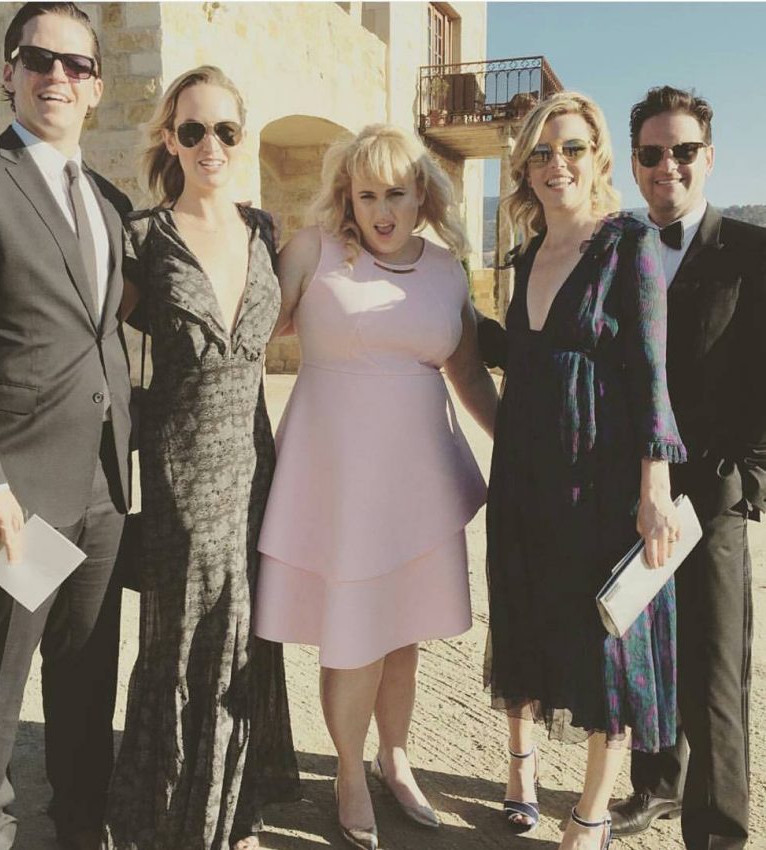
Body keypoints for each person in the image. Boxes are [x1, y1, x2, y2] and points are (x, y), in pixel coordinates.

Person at [0, 4, 132, 850]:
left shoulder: (109, 201)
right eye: (38, 59)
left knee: (87, 680)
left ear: (97, 89)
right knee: (2, 682)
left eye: (77, 66)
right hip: (19, 495)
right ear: (9, 71)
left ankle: (79, 826)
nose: (57, 77)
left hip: (102, 492)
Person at [254, 124, 499, 850]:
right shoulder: (313, 251)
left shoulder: (448, 269)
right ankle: (349, 773)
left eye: (396, 193)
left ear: (422, 193)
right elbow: (246, 336)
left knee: (403, 632)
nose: (382, 211)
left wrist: (519, 448)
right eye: (367, 196)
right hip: (338, 478)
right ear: (347, 197)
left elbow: (467, 372)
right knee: (354, 634)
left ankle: (396, 758)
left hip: (420, 476)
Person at [480, 92, 686, 850]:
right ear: (524, 167)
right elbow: (520, 363)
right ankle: (520, 768)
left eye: (571, 148)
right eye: (541, 151)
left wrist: (654, 486)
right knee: (523, 610)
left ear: (597, 157)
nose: (556, 164)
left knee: (608, 643)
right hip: (524, 478)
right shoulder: (526, 255)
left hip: (601, 479)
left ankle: (592, 813)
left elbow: (651, 371)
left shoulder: (628, 242)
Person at [102, 66, 300, 850]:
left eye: (224, 130)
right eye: (193, 130)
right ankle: (169, 817)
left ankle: (232, 812)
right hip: (181, 468)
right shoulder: (144, 238)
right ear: (170, 138)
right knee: (182, 645)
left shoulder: (264, 231)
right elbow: (93, 335)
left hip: (255, 465)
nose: (209, 144)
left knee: (248, 640)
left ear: (240, 137)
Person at [609, 86, 766, 850]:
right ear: (635, 162)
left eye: (682, 150)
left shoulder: (753, 251)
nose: (666, 164)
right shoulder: (616, 251)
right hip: (633, 488)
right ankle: (655, 786)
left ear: (709, 157)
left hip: (713, 490)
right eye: (651, 152)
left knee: (714, 673)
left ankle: (718, 831)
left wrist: (751, 480)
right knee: (646, 648)